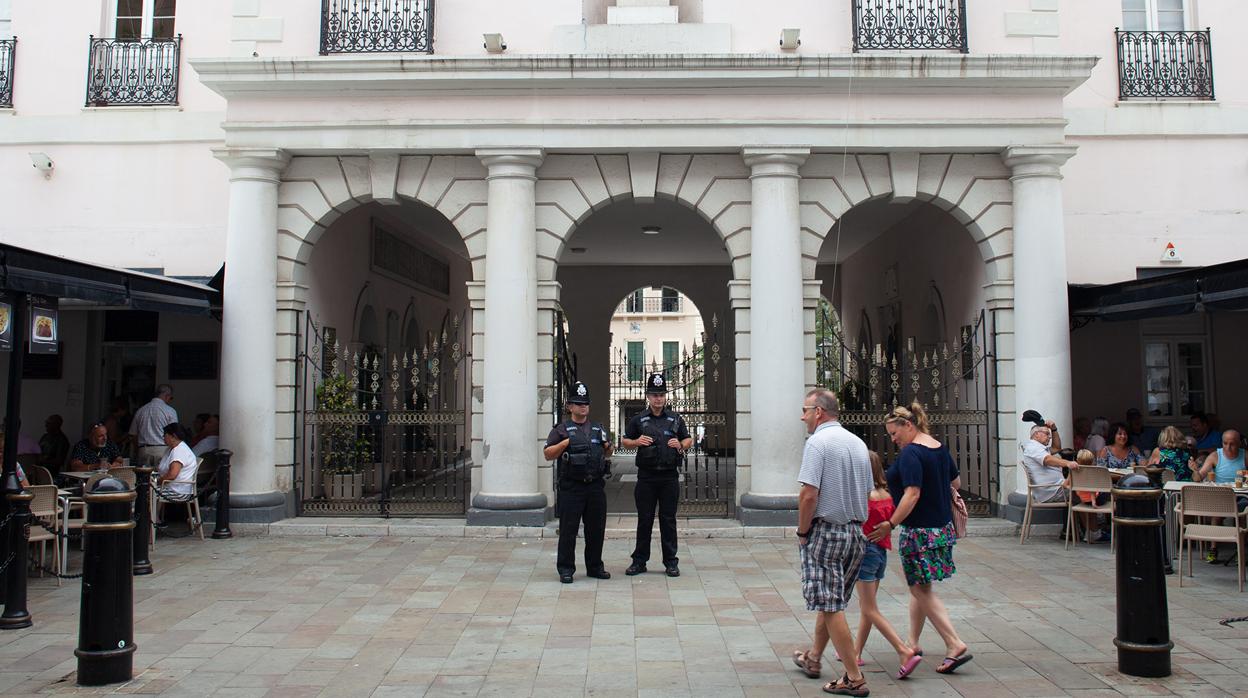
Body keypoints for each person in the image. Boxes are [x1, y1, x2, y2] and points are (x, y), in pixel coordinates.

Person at [868, 402, 972, 676]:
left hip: (919, 532)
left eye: (894, 433)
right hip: (942, 529)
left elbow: (911, 494)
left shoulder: (912, 453)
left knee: (920, 589)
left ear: (908, 425)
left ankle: (954, 642)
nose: (893, 439)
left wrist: (891, 523)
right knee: (919, 585)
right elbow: (956, 483)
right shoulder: (938, 447)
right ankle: (913, 642)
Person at [790, 389, 873, 696]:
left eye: (806, 410)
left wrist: (802, 532)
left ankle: (853, 676)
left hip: (825, 531)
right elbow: (867, 491)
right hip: (854, 532)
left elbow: (808, 494)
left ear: (819, 412)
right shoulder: (857, 443)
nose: (803, 416)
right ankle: (813, 657)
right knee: (832, 603)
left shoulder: (818, 443)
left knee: (829, 604)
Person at [851, 451, 923, 680]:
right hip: (881, 552)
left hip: (865, 553)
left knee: (870, 608)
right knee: (867, 607)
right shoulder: (886, 494)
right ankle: (855, 652)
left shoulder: (864, 496)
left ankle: (904, 651)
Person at [622, 373, 691, 578]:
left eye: (661, 394)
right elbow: (625, 441)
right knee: (644, 519)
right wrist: (636, 442)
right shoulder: (639, 420)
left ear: (665, 397)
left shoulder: (676, 419)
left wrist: (680, 445)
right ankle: (639, 561)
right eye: (654, 395)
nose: (658, 399)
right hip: (647, 477)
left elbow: (688, 440)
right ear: (648, 397)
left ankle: (671, 562)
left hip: (669, 477)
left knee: (668, 520)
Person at [544, 381, 612, 584]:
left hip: (595, 486)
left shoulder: (598, 429)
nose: (583, 407)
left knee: (596, 529)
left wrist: (608, 447)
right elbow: (548, 454)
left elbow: (608, 451)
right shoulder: (561, 430)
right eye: (578, 403)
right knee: (568, 530)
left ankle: (594, 566)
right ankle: (566, 568)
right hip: (572, 487)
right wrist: (566, 443)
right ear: (570, 406)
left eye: (585, 403)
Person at [1020, 421, 1079, 505]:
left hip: (1054, 489)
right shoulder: (1033, 447)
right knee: (1083, 492)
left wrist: (1054, 429)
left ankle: (1079, 518)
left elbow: (1056, 448)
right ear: (1036, 434)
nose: (1050, 437)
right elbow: (1047, 459)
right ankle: (1090, 518)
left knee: (1083, 491)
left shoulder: (1039, 447)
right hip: (1051, 492)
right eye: (1047, 433)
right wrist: (1068, 463)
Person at [153, 423, 199, 527]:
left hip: (178, 490)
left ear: (173, 436)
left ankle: (151, 524)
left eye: (165, 435)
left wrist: (157, 481)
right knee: (148, 490)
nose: (163, 438)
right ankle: (155, 520)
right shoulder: (171, 449)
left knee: (146, 494)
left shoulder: (180, 450)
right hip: (170, 487)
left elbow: (172, 475)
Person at [131, 384, 177, 467]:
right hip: (163, 450)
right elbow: (174, 434)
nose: (170, 400)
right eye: (171, 398)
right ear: (167, 396)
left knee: (144, 478)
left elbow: (133, 434)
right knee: (161, 477)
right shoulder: (170, 411)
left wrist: (138, 450)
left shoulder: (141, 410)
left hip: (144, 450)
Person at [1073, 449, 1111, 543]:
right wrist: (1093, 501)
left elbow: (1066, 485)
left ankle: (1092, 533)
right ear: (1092, 461)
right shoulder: (1092, 472)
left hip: (1083, 500)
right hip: (1095, 500)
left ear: (1077, 460)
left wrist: (1076, 489)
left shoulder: (1073, 472)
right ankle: (1107, 527)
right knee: (1112, 490)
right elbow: (1093, 489)